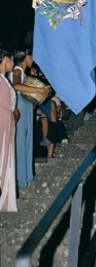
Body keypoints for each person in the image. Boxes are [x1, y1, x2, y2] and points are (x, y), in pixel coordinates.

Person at [8, 47, 50, 187]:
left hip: (25, 106)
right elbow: (16, 85)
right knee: (21, 141)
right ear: (27, 57)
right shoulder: (18, 70)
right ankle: (20, 178)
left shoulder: (22, 71)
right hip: (20, 105)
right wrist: (39, 90)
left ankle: (24, 177)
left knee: (26, 141)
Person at [0, 50, 18, 212]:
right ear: (6, 60)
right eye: (12, 60)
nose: (14, 63)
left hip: (7, 124)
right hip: (1, 125)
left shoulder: (4, 80)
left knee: (6, 161)